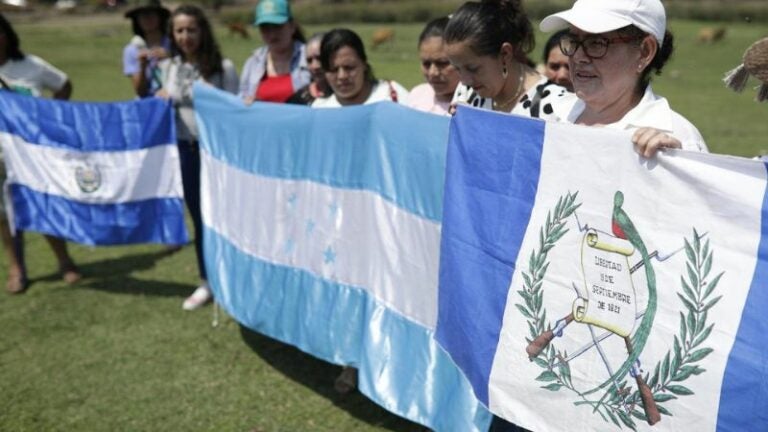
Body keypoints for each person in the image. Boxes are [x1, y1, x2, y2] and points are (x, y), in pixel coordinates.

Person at [540, 0, 708, 157]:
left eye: (596, 43)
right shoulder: (549, 115)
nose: (577, 56)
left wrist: (676, 168)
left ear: (644, 52)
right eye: (574, 40)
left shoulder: (677, 139)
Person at [155, 5, 239, 310]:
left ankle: (232, 278)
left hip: (216, 156)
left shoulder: (223, 68)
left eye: (192, 29)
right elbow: (164, 105)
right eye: (179, 30)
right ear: (172, 35)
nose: (186, 36)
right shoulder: (169, 68)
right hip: (185, 152)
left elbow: (236, 113)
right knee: (200, 219)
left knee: (225, 217)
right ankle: (207, 282)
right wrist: (160, 100)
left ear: (203, 31)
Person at [0, 13, 81, 294]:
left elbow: (64, 84)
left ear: (8, 36)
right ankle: (17, 267)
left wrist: (50, 118)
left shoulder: (30, 66)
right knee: (5, 213)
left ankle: (64, 260)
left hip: (32, 155)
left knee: (44, 206)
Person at [444, 0, 573, 119]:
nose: (465, 80)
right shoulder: (467, 92)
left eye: (473, 69)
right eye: (457, 69)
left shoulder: (556, 106)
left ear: (505, 54)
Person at [312, 28, 409, 108]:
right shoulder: (320, 109)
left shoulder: (392, 96)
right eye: (333, 70)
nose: (342, 76)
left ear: (364, 65)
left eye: (349, 67)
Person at [239, 0, 310, 104]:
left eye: (277, 26)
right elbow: (241, 99)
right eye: (265, 28)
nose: (272, 34)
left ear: (292, 26)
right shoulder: (252, 63)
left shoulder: (310, 57)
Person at [408, 17, 460, 115]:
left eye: (442, 63)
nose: (433, 72)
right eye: (426, 63)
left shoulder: (476, 105)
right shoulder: (416, 96)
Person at [122, 0, 171, 98]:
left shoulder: (174, 44)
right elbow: (140, 92)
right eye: (142, 15)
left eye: (151, 14)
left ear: (160, 17)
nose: (147, 18)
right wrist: (142, 66)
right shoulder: (131, 50)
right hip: (147, 106)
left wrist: (170, 58)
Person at [286, 32, 331, 105]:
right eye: (309, 61)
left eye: (320, 58)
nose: (315, 66)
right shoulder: (296, 101)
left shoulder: (348, 95)